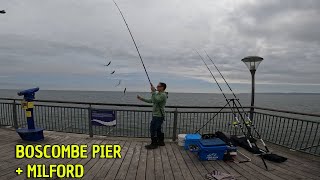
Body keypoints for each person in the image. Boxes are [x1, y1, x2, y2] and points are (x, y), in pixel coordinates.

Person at [137, 82, 167, 149]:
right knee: (158, 129)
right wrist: (141, 99)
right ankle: (161, 142)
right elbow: (151, 101)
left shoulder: (163, 95)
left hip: (158, 116)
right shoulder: (158, 94)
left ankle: (154, 144)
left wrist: (153, 92)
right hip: (156, 115)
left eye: (158, 86)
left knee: (153, 129)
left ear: (162, 87)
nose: (157, 87)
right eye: (157, 86)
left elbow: (156, 100)